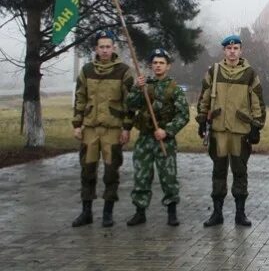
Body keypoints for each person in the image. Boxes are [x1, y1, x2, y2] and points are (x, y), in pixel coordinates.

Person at [196, 34, 266, 227]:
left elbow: (257, 101)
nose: (232, 52)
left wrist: (256, 126)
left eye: (236, 48)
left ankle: (240, 214)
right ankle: (217, 213)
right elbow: (204, 98)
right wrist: (202, 121)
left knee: (240, 172)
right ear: (224, 51)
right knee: (218, 172)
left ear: (241, 50)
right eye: (229, 48)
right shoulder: (214, 71)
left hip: (240, 131)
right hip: (218, 130)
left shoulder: (250, 73)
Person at [71, 30, 134, 227]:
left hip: (112, 130)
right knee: (87, 170)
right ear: (96, 49)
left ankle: (108, 212)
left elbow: (129, 102)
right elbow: (80, 97)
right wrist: (77, 124)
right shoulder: (87, 70)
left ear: (114, 48)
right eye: (101, 47)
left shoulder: (123, 71)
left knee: (111, 172)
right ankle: (86, 211)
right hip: (90, 128)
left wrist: (126, 128)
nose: (105, 50)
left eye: (108, 46)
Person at [126, 48, 189, 227]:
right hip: (145, 138)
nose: (158, 66)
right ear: (151, 65)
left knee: (168, 177)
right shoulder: (144, 84)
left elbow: (183, 115)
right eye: (155, 63)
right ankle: (140, 212)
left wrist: (167, 131)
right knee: (141, 175)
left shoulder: (174, 89)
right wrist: (137, 89)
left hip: (164, 140)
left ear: (168, 66)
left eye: (161, 63)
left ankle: (172, 212)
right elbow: (130, 105)